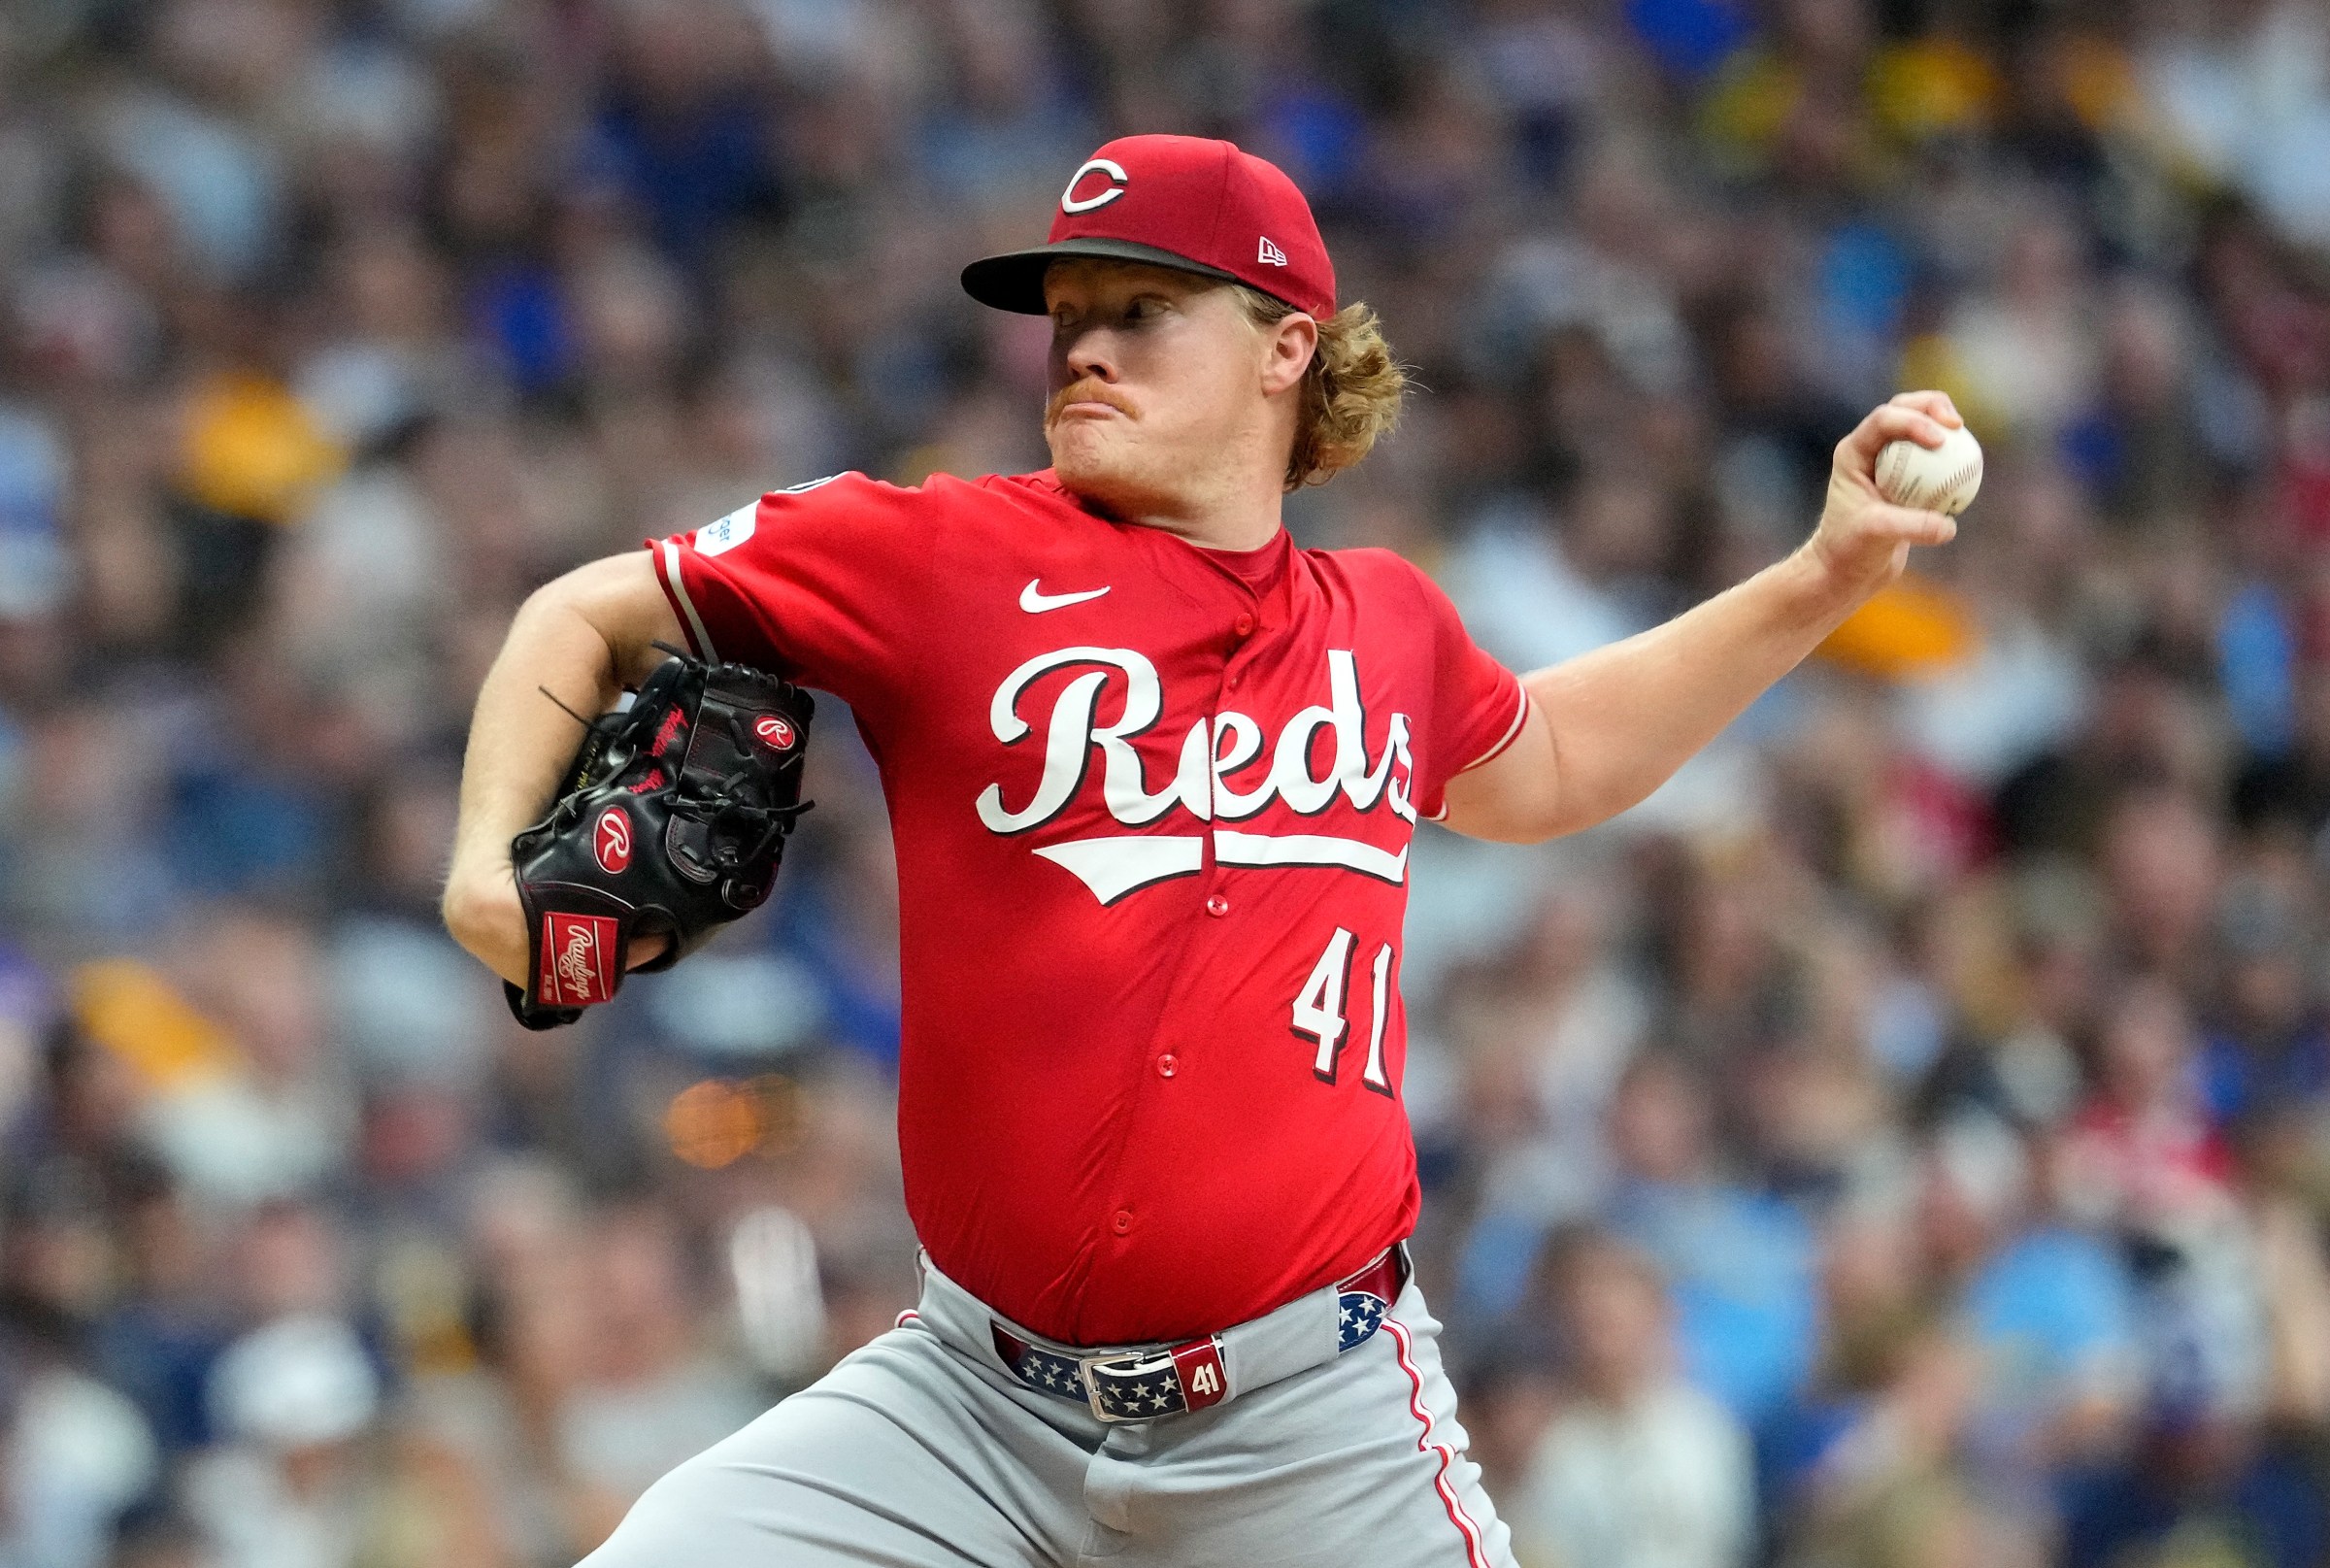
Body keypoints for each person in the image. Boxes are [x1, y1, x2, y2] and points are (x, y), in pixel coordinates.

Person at [440, 133, 1962, 1568]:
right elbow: (579, 613)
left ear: (1286, 343)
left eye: (1143, 310)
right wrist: (485, 876)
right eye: (1068, 319)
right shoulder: (939, 557)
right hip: (968, 1410)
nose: (1083, 347)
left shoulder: (1386, 624)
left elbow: (1553, 762)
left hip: (1315, 1424)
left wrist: (1826, 575)